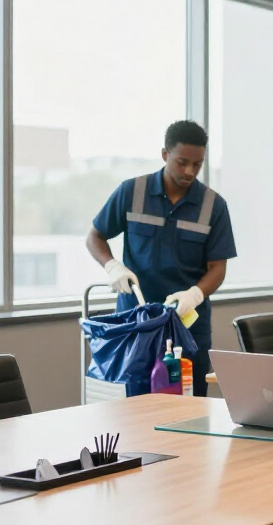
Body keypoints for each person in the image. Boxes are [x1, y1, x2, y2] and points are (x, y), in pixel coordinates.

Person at [86, 120, 236, 397]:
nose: (189, 171)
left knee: (191, 405)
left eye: (197, 164)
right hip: (138, 323)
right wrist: (112, 266)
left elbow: (218, 268)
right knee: (138, 407)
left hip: (188, 325)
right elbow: (95, 237)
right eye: (182, 162)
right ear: (165, 154)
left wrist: (195, 294)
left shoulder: (213, 205)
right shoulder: (132, 192)